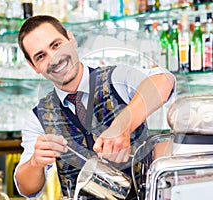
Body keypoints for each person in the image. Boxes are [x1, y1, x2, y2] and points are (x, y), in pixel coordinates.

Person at [13, 15, 175, 199]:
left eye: (56, 45)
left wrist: (123, 125)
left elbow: (163, 80)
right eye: (41, 56)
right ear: (33, 66)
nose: (54, 59)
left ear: (70, 39)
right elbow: (26, 188)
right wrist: (35, 162)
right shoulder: (39, 116)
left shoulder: (116, 79)